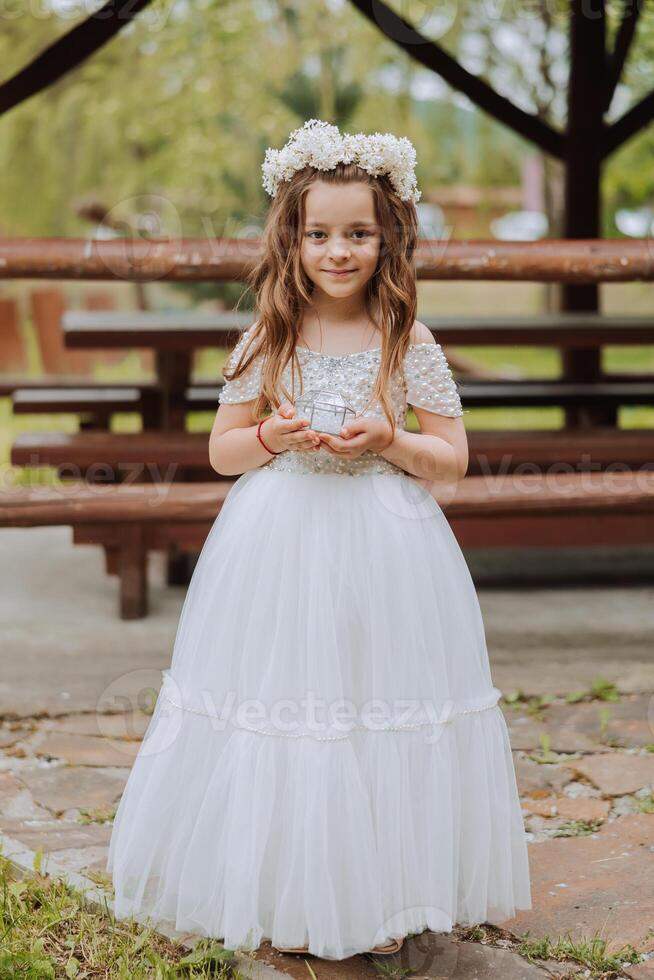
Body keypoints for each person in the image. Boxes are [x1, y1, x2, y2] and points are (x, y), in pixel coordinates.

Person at [106, 119, 532, 962]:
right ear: (293, 239)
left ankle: (386, 884)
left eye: (359, 234)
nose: (339, 251)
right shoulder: (267, 336)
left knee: (378, 701)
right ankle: (285, 884)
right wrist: (277, 438)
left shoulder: (408, 339)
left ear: (388, 238)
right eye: (320, 233)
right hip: (282, 536)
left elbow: (449, 463)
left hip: (388, 540)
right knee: (290, 702)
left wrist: (389, 442)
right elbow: (222, 452)